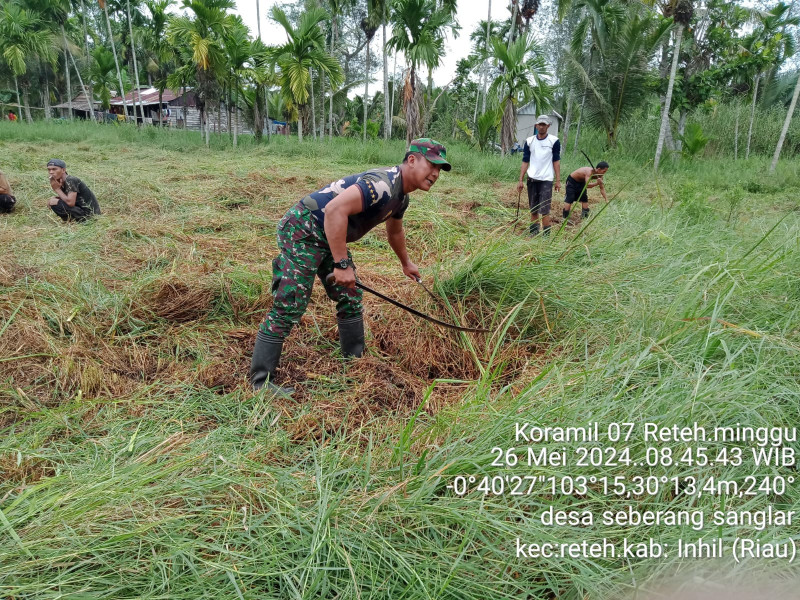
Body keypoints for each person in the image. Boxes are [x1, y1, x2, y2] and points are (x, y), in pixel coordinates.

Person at [250, 138, 452, 395]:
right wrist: (341, 264)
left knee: (351, 295)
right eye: (432, 165)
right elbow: (334, 210)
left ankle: (354, 363)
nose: (435, 173)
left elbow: (395, 232)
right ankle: (260, 383)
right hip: (303, 229)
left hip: (327, 235)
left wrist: (406, 263)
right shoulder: (382, 185)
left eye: (439, 169)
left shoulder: (401, 198)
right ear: (412, 160)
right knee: (291, 301)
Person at [517, 115, 561, 236]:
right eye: (539, 124)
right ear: (536, 126)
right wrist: (520, 180)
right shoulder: (529, 141)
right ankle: (534, 234)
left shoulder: (554, 141)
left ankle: (546, 236)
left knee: (545, 210)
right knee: (533, 209)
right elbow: (525, 161)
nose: (541, 127)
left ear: (548, 126)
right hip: (532, 179)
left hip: (546, 180)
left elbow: (556, 161)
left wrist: (558, 180)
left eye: (544, 125)